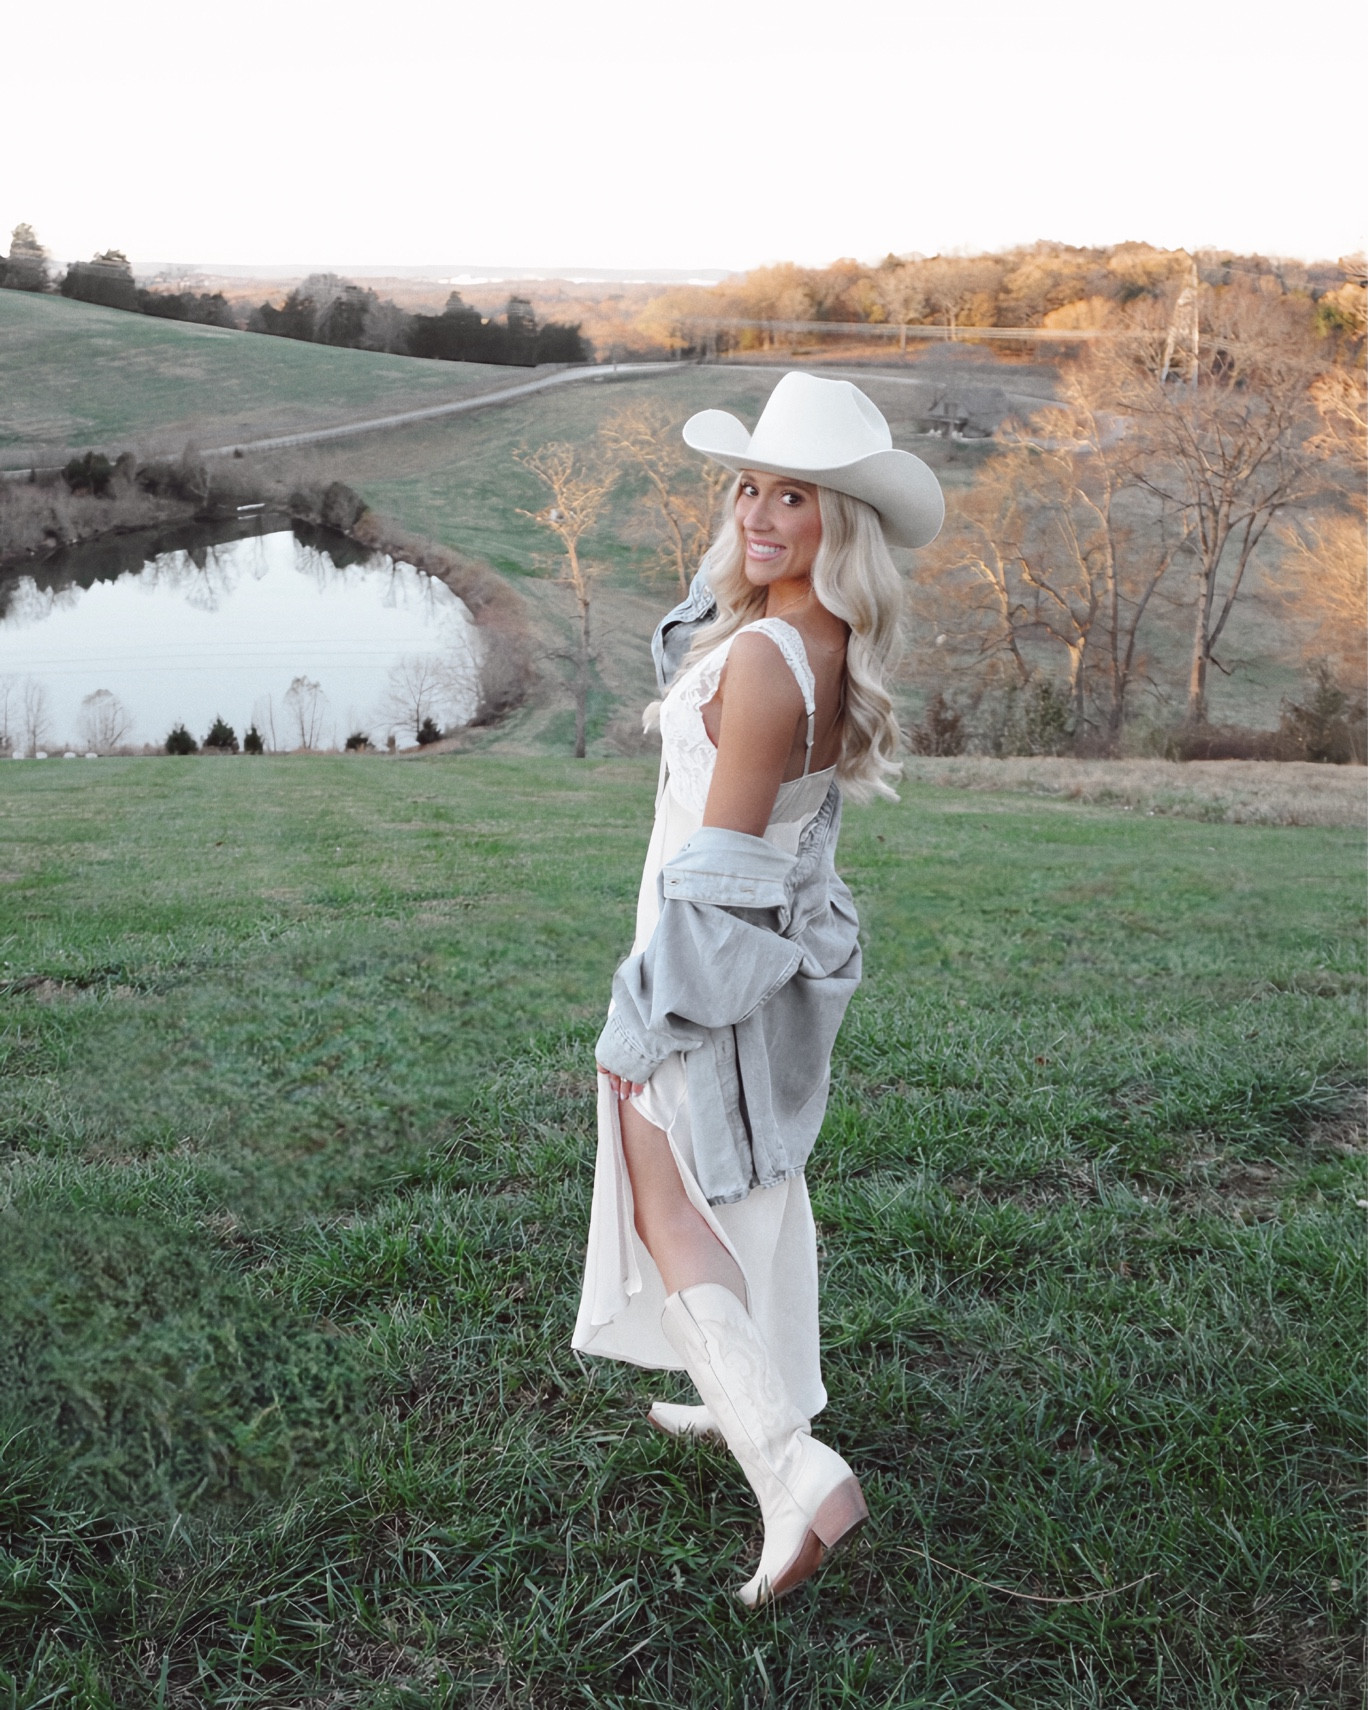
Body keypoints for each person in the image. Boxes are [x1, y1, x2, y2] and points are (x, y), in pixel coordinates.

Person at [574, 371, 944, 1606]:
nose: (758, 512)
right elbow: (702, 633)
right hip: (749, 957)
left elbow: (724, 876)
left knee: (664, 1206)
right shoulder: (809, 638)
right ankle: (750, 1404)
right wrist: (742, 566)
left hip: (706, 965)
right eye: (747, 487)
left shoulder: (770, 664)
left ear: (842, 524)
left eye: (796, 495)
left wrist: (645, 1018)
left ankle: (795, 1470)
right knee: (754, 1191)